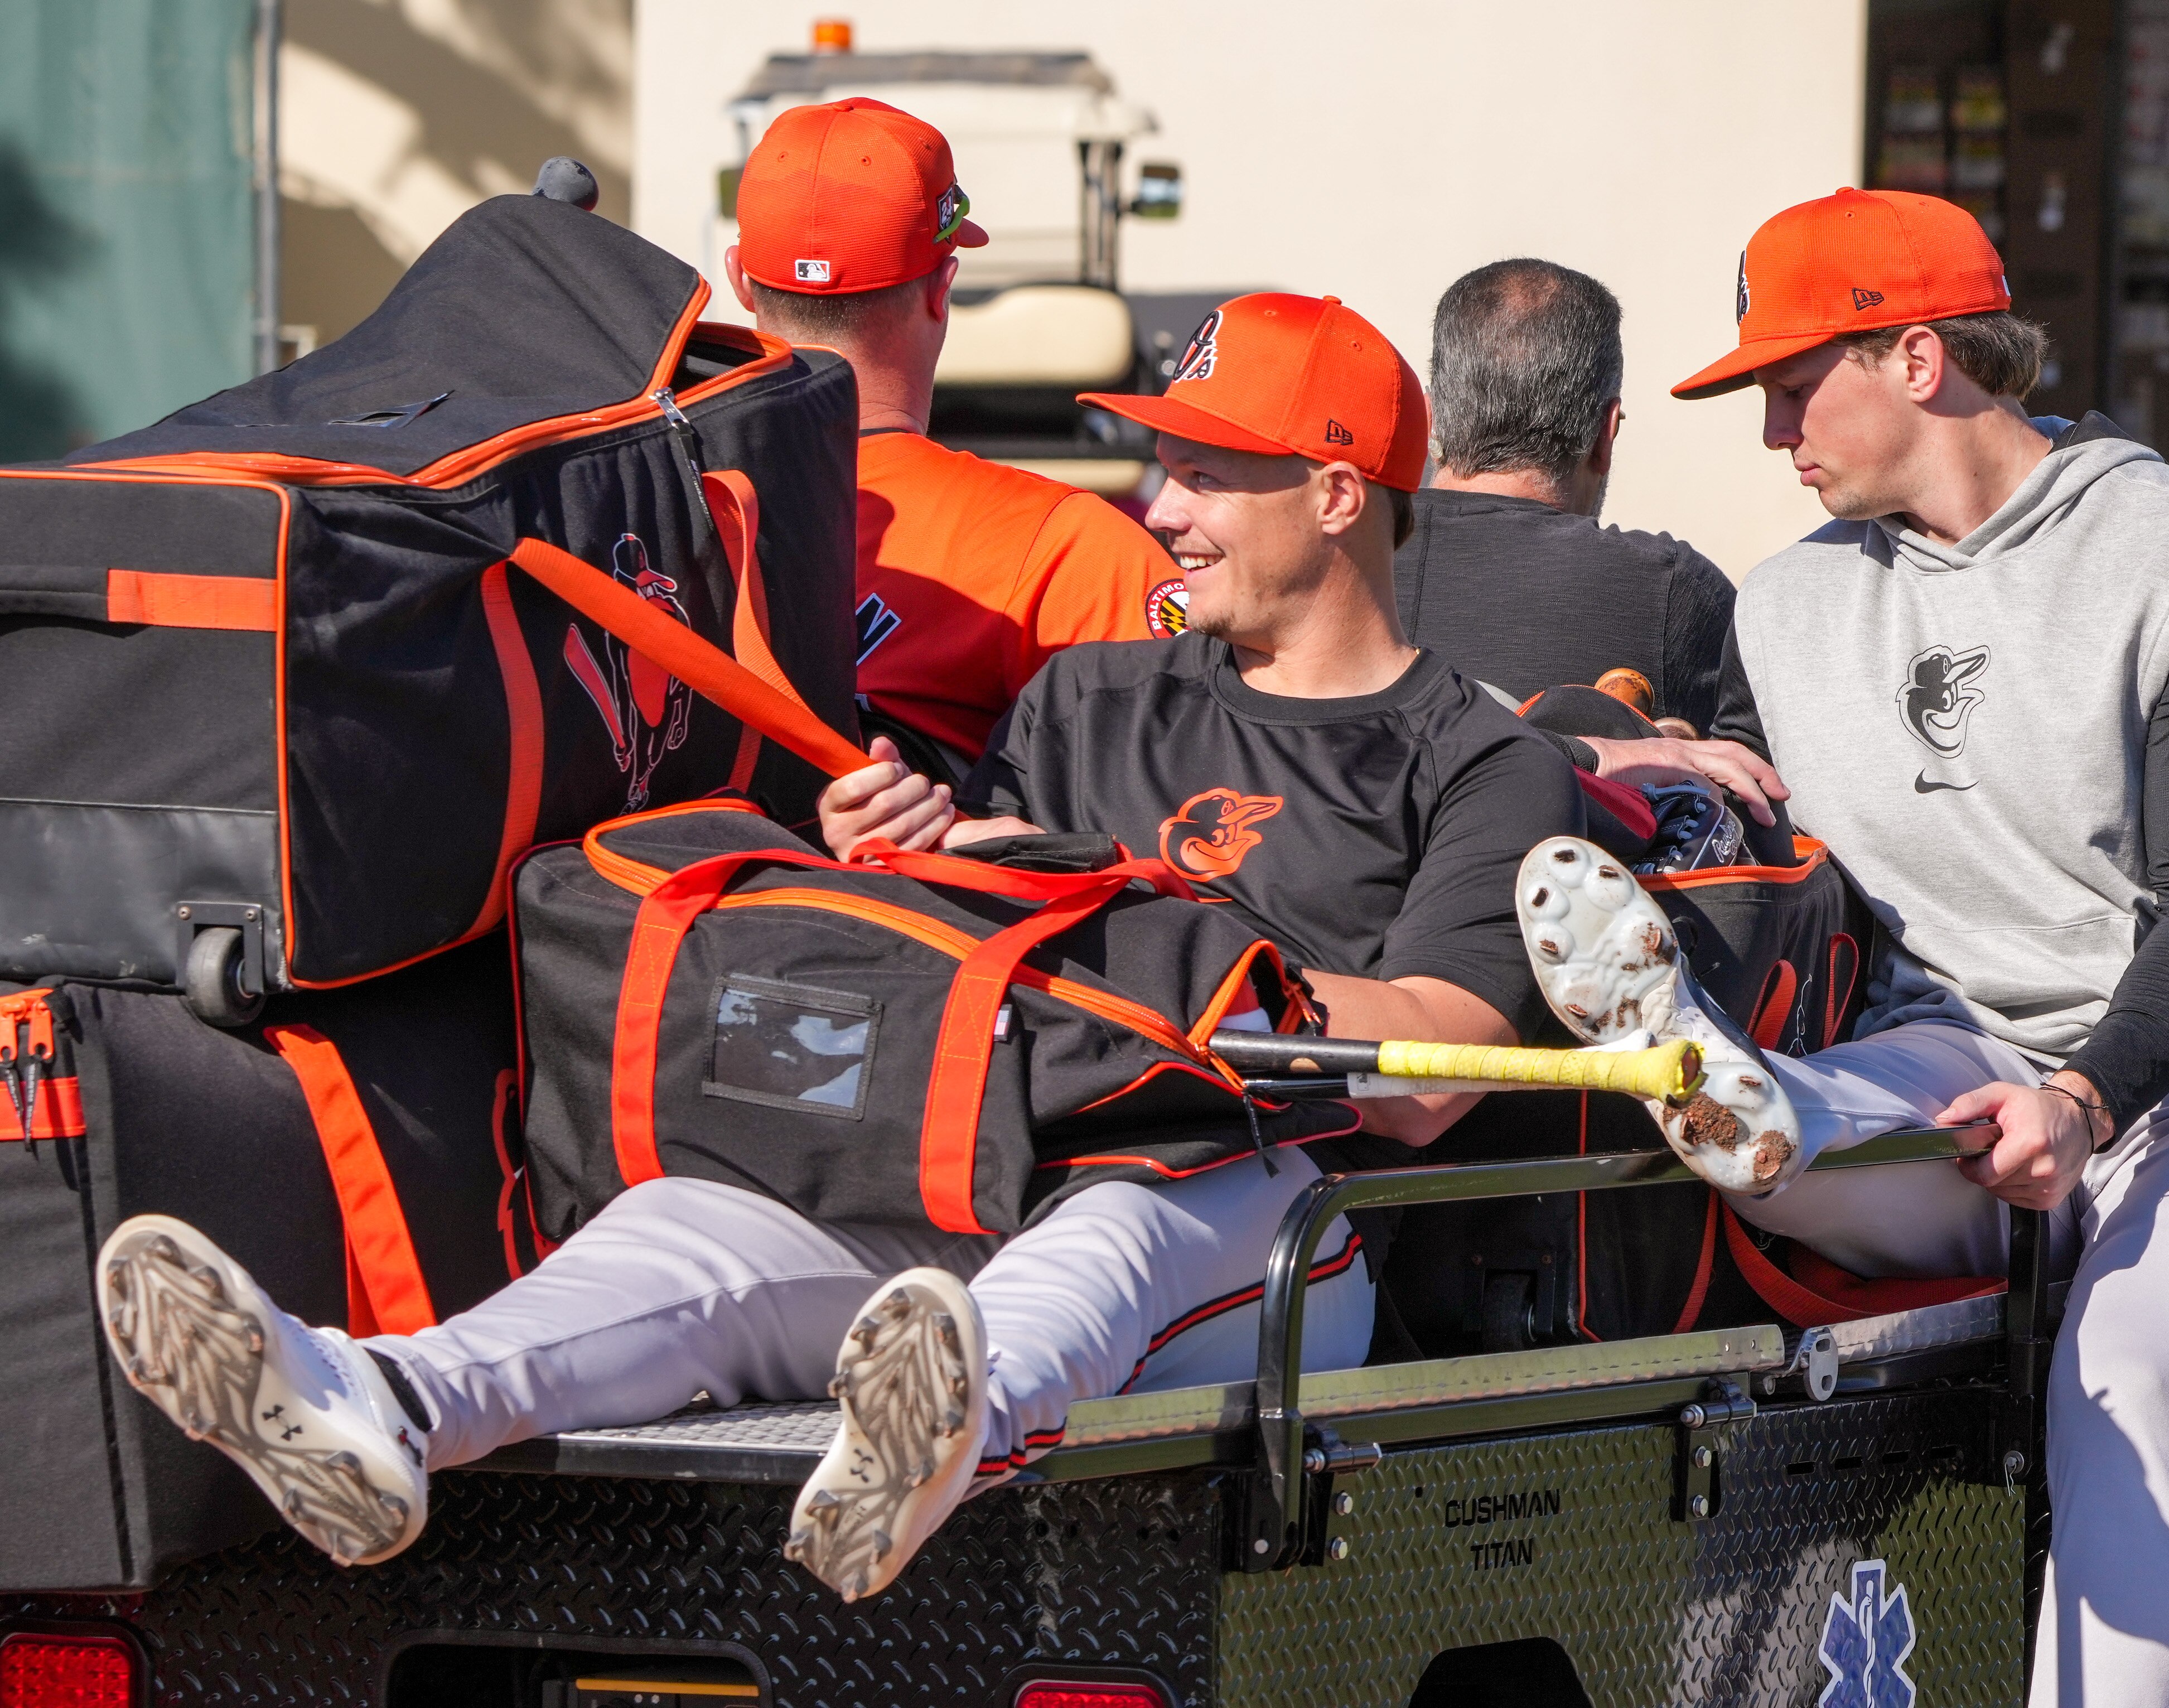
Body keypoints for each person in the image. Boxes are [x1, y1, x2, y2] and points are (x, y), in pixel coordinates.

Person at [94, 292, 1585, 1606]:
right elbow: (982, 933)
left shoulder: (1482, 757)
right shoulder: (1088, 696)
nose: (1160, 506)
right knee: (691, 1223)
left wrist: (1171, 959)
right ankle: (388, 1400)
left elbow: (1426, 1072)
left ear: (1334, 494)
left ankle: (944, 1427)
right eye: (1161, 465)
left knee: (1134, 1210)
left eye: (1202, 474)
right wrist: (924, 852)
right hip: (978, 1164)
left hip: (1277, 1225)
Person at [1518, 187, 2169, 1708]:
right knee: (1772, 1130)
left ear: (1920, 358)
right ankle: (1744, 1095)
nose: (1773, 430)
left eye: (1795, 388)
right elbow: (1754, 803)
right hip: (1966, 1055)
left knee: (2124, 1380)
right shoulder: (1787, 602)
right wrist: (1645, 757)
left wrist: (2087, 1098)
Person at [725, 97, 1174, 780]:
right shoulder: (1064, 547)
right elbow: (1206, 790)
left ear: (740, 283)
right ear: (943, 286)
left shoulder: (643, 508)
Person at [1395, 258, 1788, 838]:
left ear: (1431, 417)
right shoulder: (1672, 587)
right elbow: (1751, 798)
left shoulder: (1330, 567)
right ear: (1606, 433)